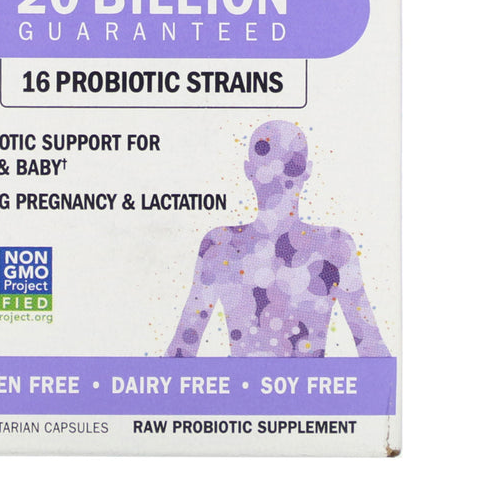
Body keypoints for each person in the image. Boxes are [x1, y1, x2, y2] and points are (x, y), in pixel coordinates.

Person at [166, 120, 390, 358]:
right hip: (272, 382)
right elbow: (181, 353)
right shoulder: (220, 246)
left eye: (290, 164)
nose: (277, 170)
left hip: (266, 382)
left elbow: (179, 355)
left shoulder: (334, 247)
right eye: (267, 160)